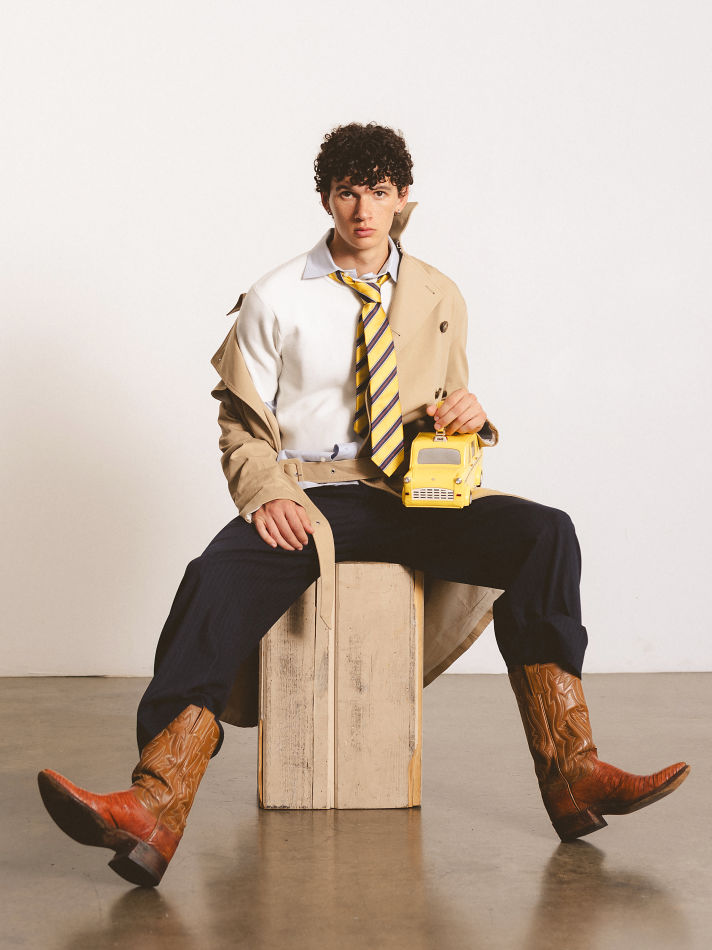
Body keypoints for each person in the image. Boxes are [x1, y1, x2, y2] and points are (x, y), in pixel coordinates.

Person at [37, 122, 690, 887]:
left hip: (416, 495)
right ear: (326, 197)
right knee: (212, 577)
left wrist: (471, 417)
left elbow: (447, 404)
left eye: (379, 191)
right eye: (348, 192)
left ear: (403, 196)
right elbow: (241, 425)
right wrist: (267, 492)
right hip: (316, 495)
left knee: (546, 534)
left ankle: (572, 771)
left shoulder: (440, 293)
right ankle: (156, 802)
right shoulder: (277, 296)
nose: (363, 209)